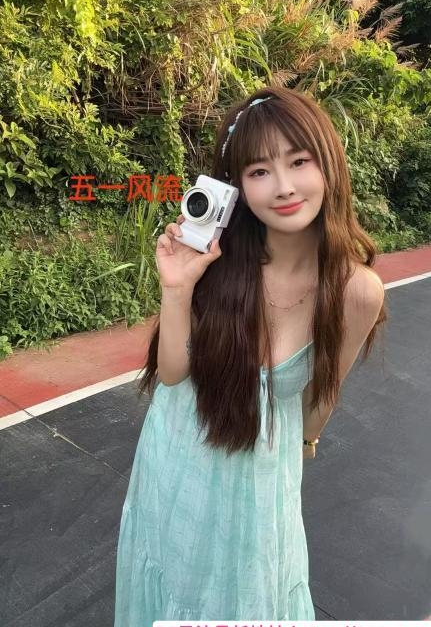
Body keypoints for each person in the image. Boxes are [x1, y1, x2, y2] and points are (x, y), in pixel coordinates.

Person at [114, 86, 387, 623]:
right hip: (175, 462)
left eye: (299, 161)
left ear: (329, 163)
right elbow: (172, 373)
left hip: (260, 491)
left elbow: (319, 401)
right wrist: (177, 289)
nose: (283, 186)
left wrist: (302, 446)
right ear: (237, 186)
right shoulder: (215, 262)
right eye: (259, 171)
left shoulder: (355, 291)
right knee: (168, 584)